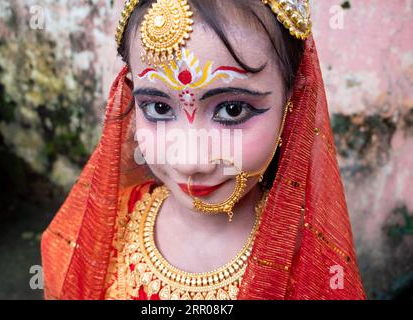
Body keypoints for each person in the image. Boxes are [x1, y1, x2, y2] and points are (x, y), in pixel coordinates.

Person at [41, 0, 366, 300]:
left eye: (233, 110)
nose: (189, 161)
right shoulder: (106, 228)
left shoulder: (312, 266)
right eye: (157, 106)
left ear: (291, 103)